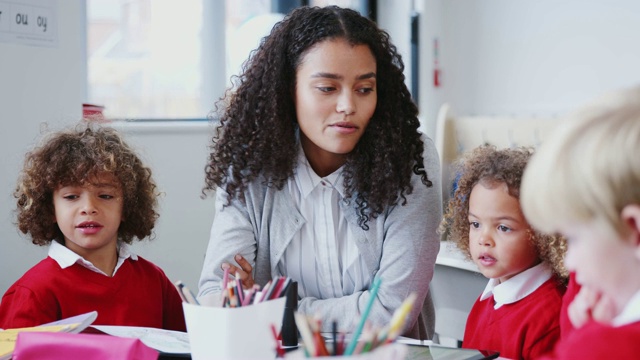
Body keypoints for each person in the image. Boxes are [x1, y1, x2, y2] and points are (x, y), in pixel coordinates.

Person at [197, 5, 442, 338]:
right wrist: (231, 300)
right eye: (327, 88)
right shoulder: (249, 163)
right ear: (288, 90)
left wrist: (275, 307)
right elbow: (216, 289)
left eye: (364, 89)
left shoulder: (409, 159)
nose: (348, 106)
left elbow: (390, 312)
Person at [0, 123, 186, 331]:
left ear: (127, 208)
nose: (89, 208)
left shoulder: (154, 280)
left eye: (105, 196)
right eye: (71, 197)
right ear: (50, 209)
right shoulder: (32, 292)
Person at [521, 86, 640, 359]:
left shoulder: (604, 348)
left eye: (573, 239)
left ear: (634, 230)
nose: (570, 262)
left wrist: (587, 335)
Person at [440, 145, 567, 359]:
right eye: (475, 224)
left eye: (503, 228)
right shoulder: (485, 301)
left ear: (541, 231)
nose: (484, 239)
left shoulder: (550, 317)